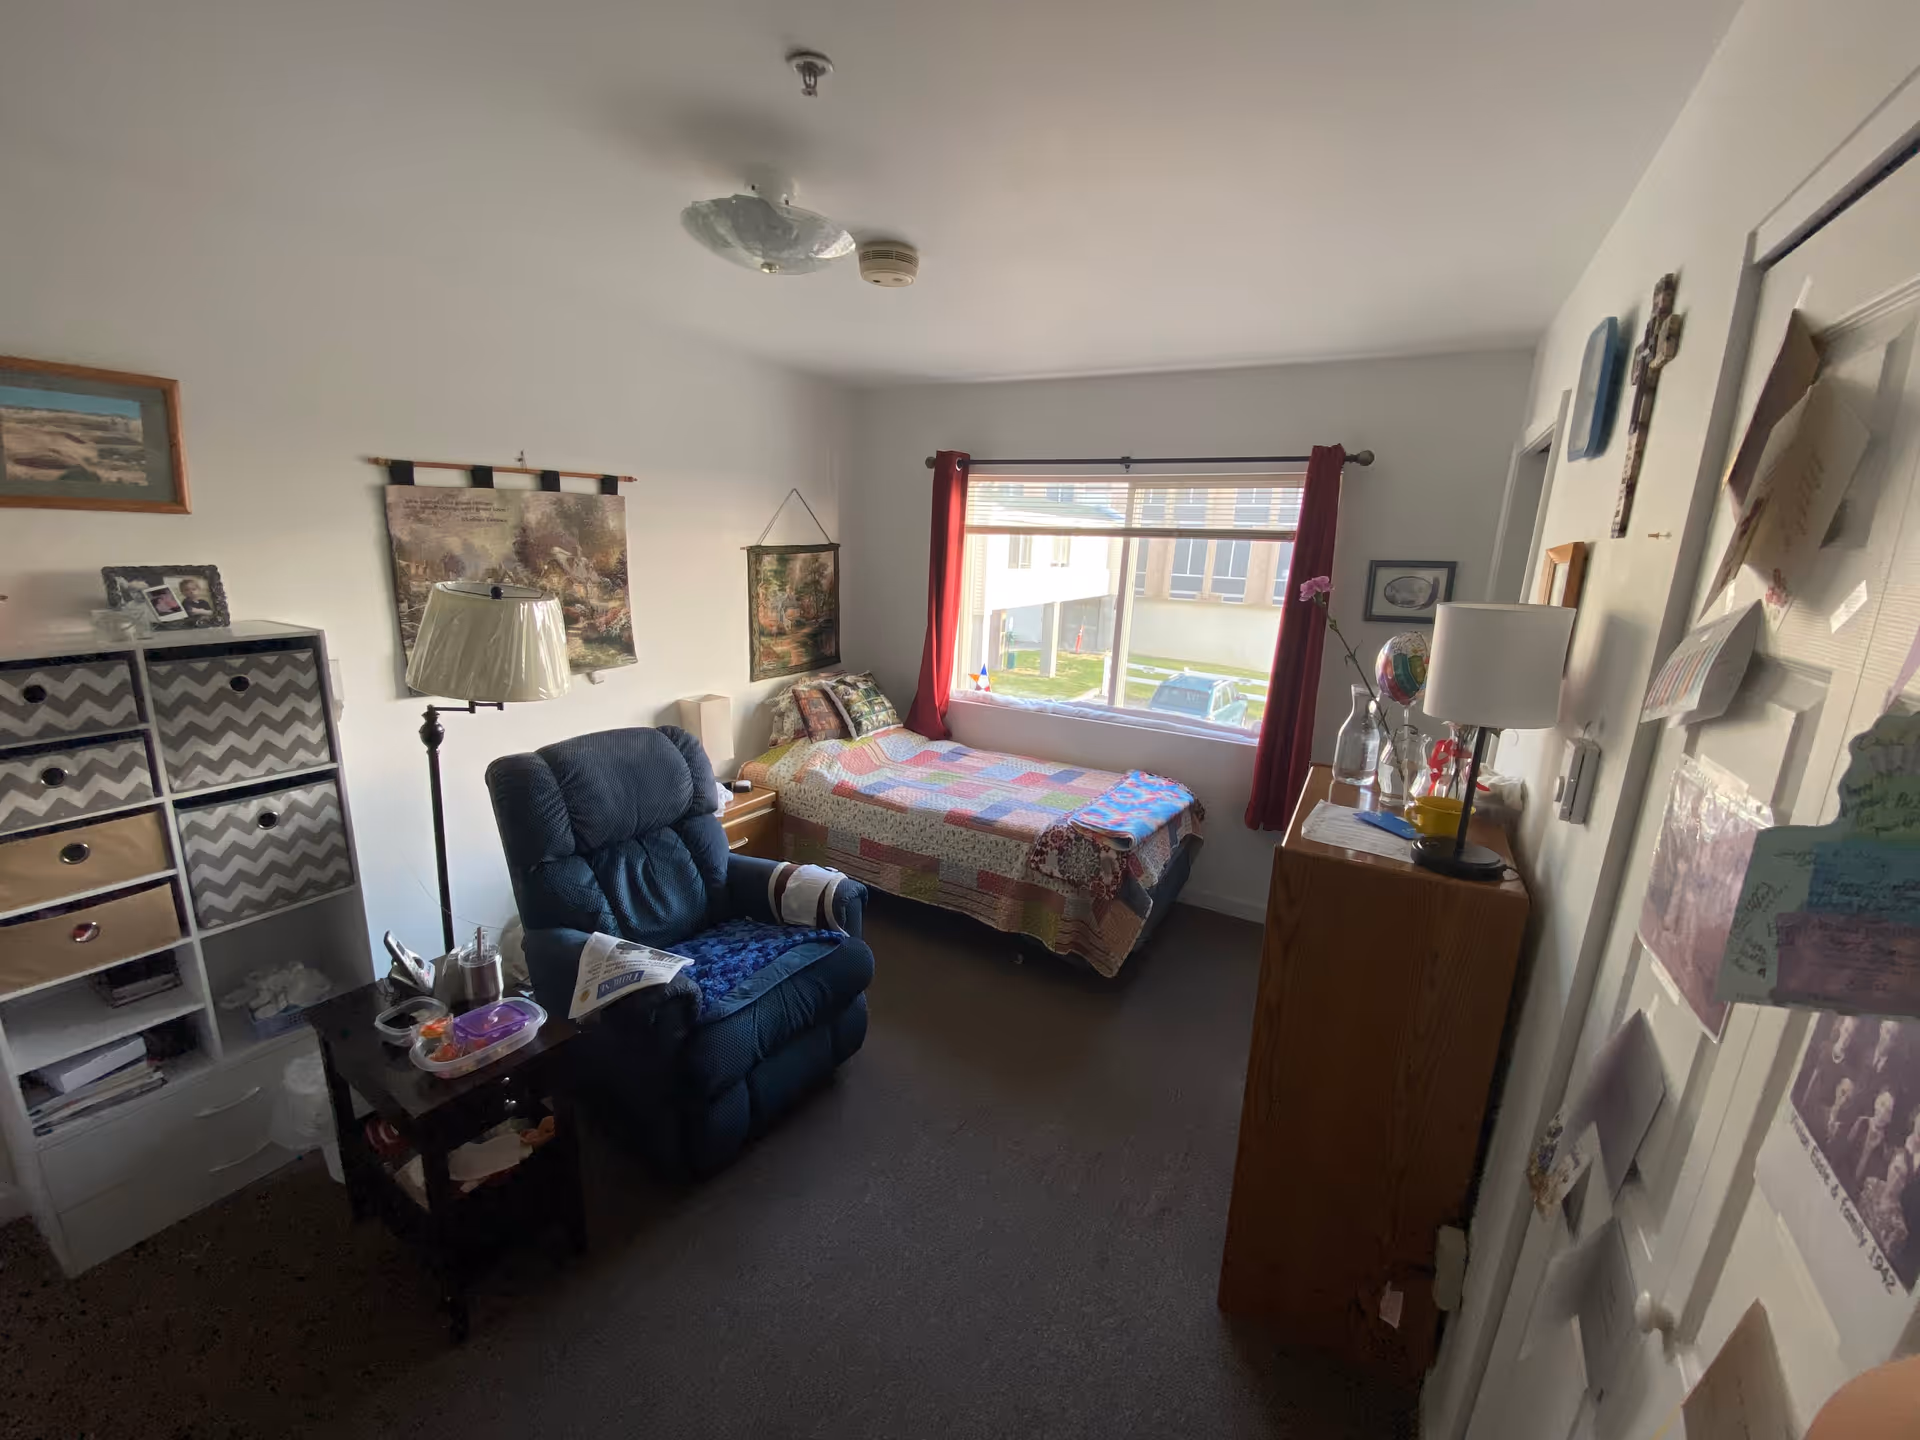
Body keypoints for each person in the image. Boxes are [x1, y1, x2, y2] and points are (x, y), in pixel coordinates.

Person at [1853, 1089, 1897, 1186]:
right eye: (1882, 1104)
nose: (1882, 1113)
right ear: (1876, 1103)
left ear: (1890, 1119)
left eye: (1888, 1111)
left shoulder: (1884, 1150)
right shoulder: (1860, 1123)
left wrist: (1869, 1150)